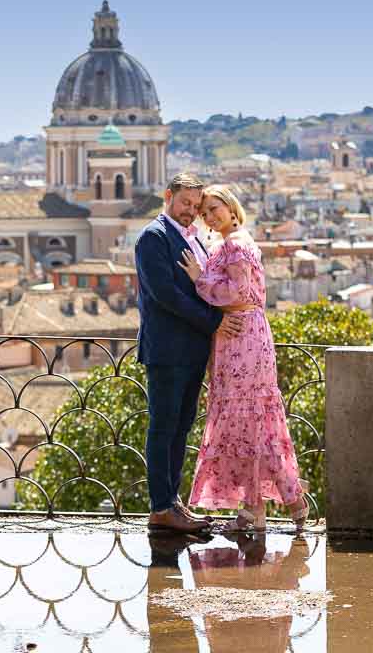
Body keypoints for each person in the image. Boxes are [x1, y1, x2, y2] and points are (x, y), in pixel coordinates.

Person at [178, 184, 309, 532]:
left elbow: (236, 292)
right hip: (240, 335)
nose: (209, 216)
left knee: (245, 419)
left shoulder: (236, 244)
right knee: (251, 423)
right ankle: (263, 507)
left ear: (232, 207)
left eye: (215, 208)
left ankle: (273, 505)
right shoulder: (233, 242)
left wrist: (199, 279)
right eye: (205, 212)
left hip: (242, 335)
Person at [135, 173, 244, 533]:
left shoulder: (192, 238)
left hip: (191, 350)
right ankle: (161, 507)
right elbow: (166, 294)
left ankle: (172, 504)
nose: (191, 212)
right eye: (185, 204)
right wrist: (213, 322)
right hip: (167, 350)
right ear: (168, 197)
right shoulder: (153, 238)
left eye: (196, 207)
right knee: (164, 428)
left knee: (180, 428)